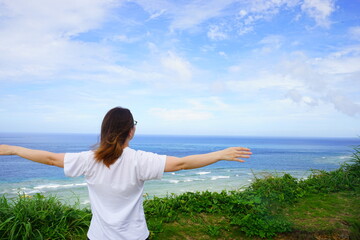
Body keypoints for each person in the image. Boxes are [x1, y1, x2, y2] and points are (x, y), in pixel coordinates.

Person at [0, 107, 252, 240]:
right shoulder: (140, 160)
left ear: (105, 130)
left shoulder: (89, 159)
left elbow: (51, 158)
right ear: (131, 131)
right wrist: (220, 154)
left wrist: (12, 149)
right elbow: (182, 164)